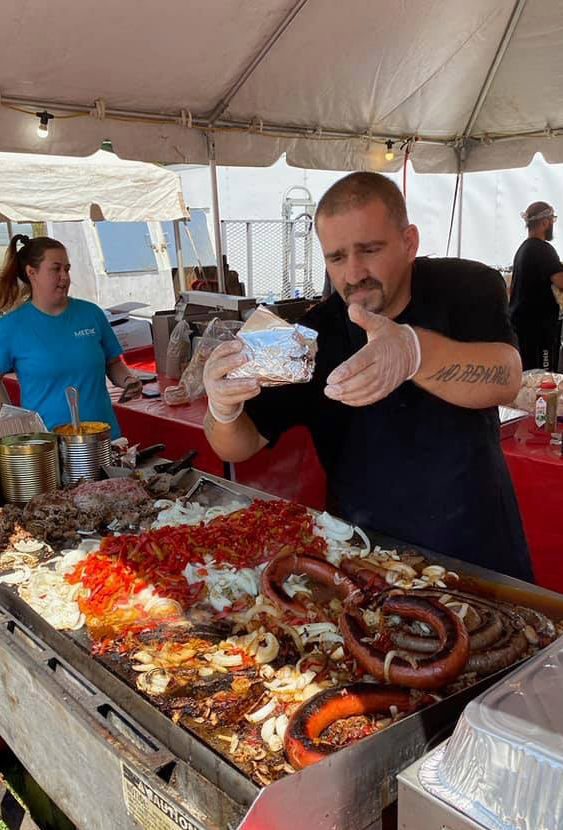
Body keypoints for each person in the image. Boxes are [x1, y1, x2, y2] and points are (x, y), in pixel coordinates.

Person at [203, 172, 532, 581]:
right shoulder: (313, 337)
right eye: (336, 258)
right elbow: (241, 444)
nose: (353, 273)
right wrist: (224, 408)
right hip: (364, 557)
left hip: (476, 548)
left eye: (370, 250)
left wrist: (414, 352)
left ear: (409, 242)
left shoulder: (465, 286)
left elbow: (506, 377)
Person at [0, 235, 141, 437]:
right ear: (31, 272)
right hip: (49, 443)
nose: (65, 276)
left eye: (67, 269)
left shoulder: (91, 314)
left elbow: (113, 362)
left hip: (102, 436)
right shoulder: (10, 326)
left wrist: (127, 380)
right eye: (56, 269)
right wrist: (14, 423)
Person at [509, 202, 563, 372]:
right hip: (538, 328)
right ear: (545, 222)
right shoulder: (543, 249)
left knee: (527, 374)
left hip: (520, 325)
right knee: (542, 376)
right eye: (553, 220)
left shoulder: (523, 249)